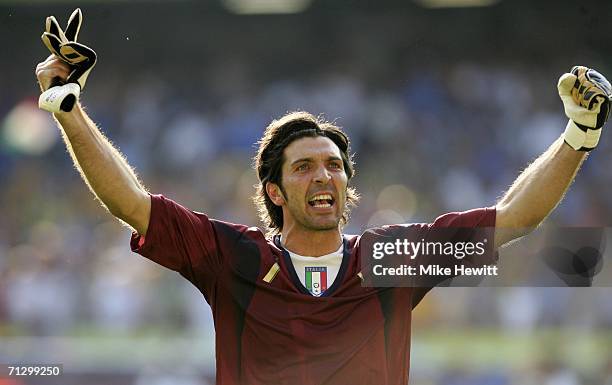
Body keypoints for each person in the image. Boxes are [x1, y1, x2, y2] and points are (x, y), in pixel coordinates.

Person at [34, 9, 611, 385]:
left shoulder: (393, 259)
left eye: (334, 167)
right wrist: (69, 110)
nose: (324, 178)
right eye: (305, 167)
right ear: (273, 190)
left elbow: (514, 220)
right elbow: (129, 204)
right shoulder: (231, 256)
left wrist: (578, 136)